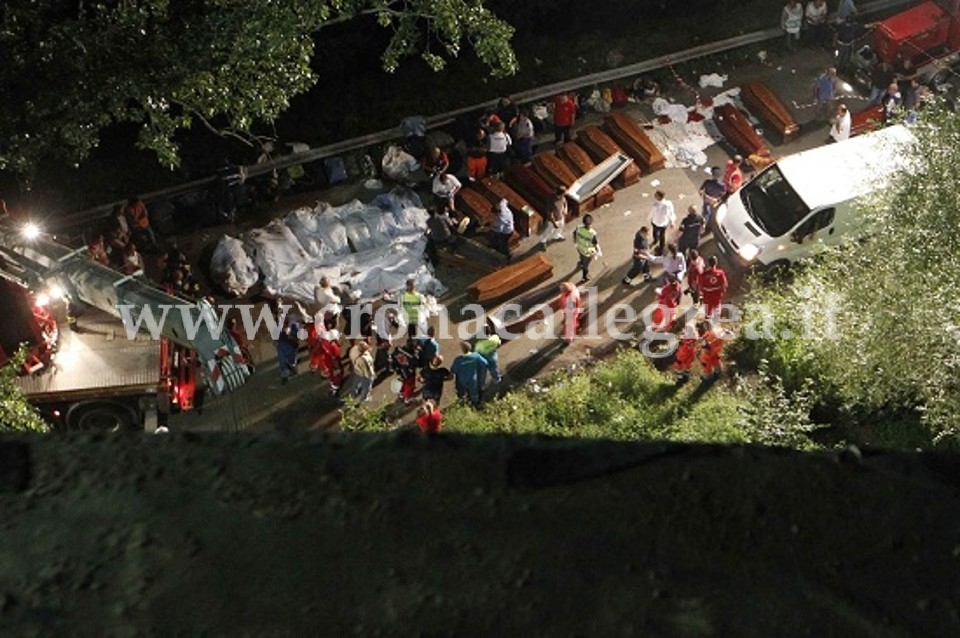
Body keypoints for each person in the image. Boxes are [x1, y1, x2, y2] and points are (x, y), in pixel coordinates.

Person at [451, 341, 488, 406]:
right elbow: (485, 363)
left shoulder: (458, 360)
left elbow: (453, 370)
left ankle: (462, 402)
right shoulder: (476, 356)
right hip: (473, 378)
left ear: (462, 350)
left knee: (461, 392)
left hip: (462, 380)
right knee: (474, 391)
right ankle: (475, 403)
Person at [698, 256, 728, 323]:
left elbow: (700, 287)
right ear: (716, 263)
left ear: (708, 263)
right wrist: (722, 292)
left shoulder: (704, 275)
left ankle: (708, 326)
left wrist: (701, 295)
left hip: (707, 297)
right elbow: (724, 285)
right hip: (717, 296)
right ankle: (715, 325)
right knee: (716, 312)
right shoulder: (720, 273)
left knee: (708, 313)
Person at [390, 338, 419, 405]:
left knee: (403, 382)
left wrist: (396, 369)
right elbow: (413, 366)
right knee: (409, 385)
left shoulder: (398, 349)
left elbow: (392, 358)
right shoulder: (413, 357)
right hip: (408, 373)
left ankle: (402, 394)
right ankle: (408, 398)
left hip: (400, 370)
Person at [573, 214, 600, 283]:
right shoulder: (592, 233)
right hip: (587, 252)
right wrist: (597, 251)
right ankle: (585, 277)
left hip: (580, 248)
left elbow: (574, 233)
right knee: (586, 265)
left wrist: (575, 242)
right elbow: (595, 243)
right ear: (591, 223)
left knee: (581, 257)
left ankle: (581, 263)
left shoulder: (578, 228)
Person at [649, 190, 676, 255]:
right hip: (664, 223)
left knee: (655, 232)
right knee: (662, 235)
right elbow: (671, 213)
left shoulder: (655, 205)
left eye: (656, 195)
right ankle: (661, 247)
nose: (655, 195)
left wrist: (649, 218)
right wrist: (672, 222)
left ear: (659, 197)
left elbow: (651, 214)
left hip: (655, 222)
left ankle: (655, 240)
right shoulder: (668, 204)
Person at [276, 317, 301, 384]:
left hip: (291, 345)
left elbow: (298, 336)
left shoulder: (294, 325)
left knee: (291, 359)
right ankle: (285, 372)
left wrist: (291, 336)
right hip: (282, 344)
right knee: (282, 358)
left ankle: (292, 367)